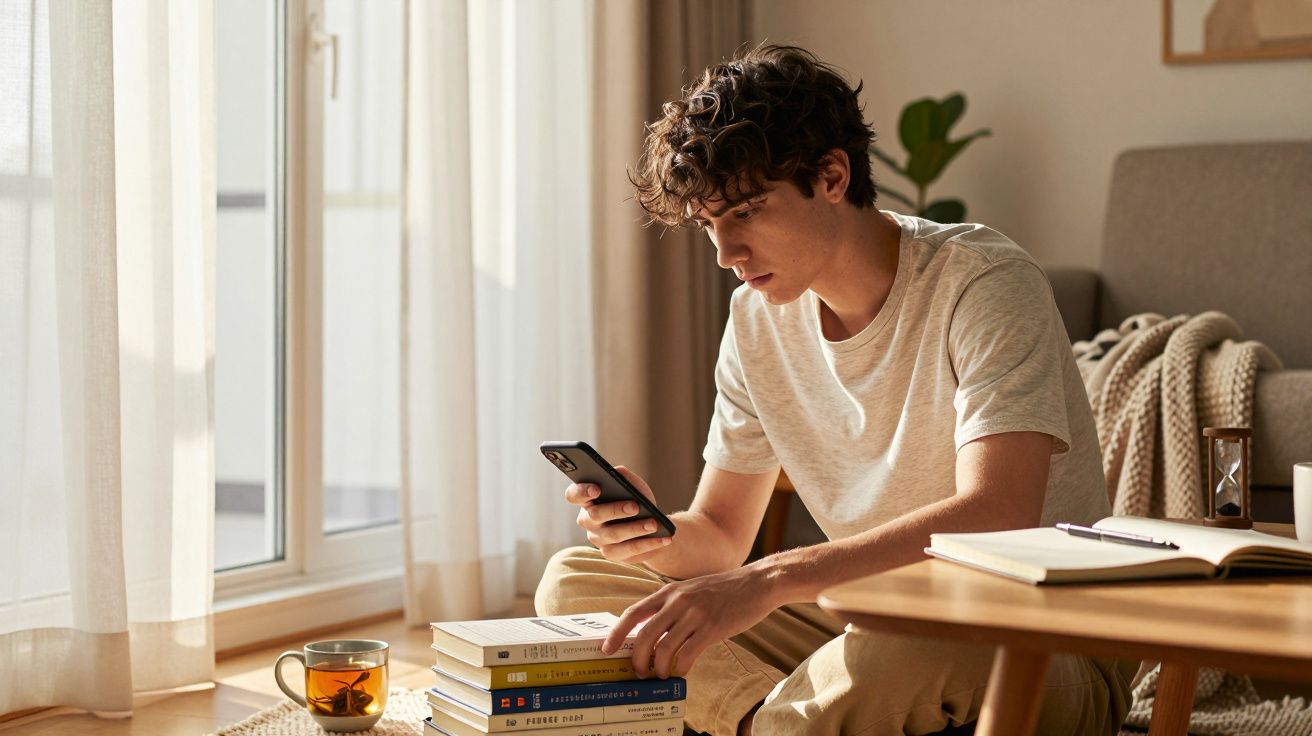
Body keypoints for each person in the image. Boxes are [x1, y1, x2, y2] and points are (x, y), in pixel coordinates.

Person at [535, 44, 1136, 736]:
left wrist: (769, 579)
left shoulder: (984, 283)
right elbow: (724, 535)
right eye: (710, 225)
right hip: (866, 619)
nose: (726, 254)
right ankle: (773, 721)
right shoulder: (756, 321)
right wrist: (651, 537)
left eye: (747, 213)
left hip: (1029, 633)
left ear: (831, 175)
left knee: (910, 636)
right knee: (577, 583)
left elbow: (997, 512)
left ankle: (800, 713)